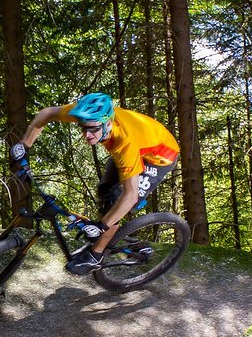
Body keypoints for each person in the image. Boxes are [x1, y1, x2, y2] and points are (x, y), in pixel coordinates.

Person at [10, 92, 180, 275]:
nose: (87, 135)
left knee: (117, 202)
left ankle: (96, 255)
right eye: (83, 128)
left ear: (108, 123)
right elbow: (47, 113)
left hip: (158, 157)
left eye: (93, 129)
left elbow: (129, 196)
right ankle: (111, 236)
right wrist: (24, 146)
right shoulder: (89, 115)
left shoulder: (125, 143)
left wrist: (102, 226)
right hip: (138, 145)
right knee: (105, 192)